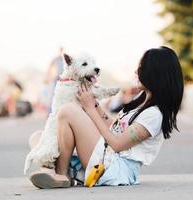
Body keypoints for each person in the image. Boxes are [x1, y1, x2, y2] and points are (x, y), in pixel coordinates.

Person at [27, 46, 184, 188]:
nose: (136, 72)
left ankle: (61, 174)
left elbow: (116, 144)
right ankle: (48, 170)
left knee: (68, 110)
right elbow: (115, 127)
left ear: (155, 75)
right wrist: (95, 105)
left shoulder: (154, 115)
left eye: (141, 68)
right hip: (104, 155)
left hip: (114, 168)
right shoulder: (141, 102)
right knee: (37, 136)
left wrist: (89, 109)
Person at [44, 47, 65, 114]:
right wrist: (47, 77)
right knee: (53, 96)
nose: (61, 52)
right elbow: (49, 68)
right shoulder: (55, 59)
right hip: (56, 79)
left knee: (63, 95)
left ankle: (60, 111)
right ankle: (50, 112)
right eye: (60, 51)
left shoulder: (64, 59)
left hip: (63, 79)